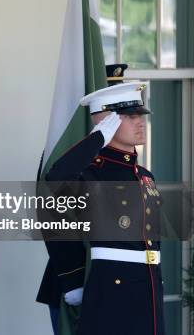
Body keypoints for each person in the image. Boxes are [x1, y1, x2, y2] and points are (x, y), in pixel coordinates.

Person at [40, 80, 164, 335]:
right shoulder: (90, 174)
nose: (140, 122)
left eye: (140, 115)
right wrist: (98, 139)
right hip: (111, 287)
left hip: (147, 285)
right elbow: (55, 185)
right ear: (107, 122)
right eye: (130, 117)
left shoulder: (144, 175)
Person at [36, 63, 130, 334]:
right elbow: (52, 212)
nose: (122, 120)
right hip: (76, 279)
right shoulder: (68, 151)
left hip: (118, 281)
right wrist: (73, 278)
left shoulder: (122, 156)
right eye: (116, 112)